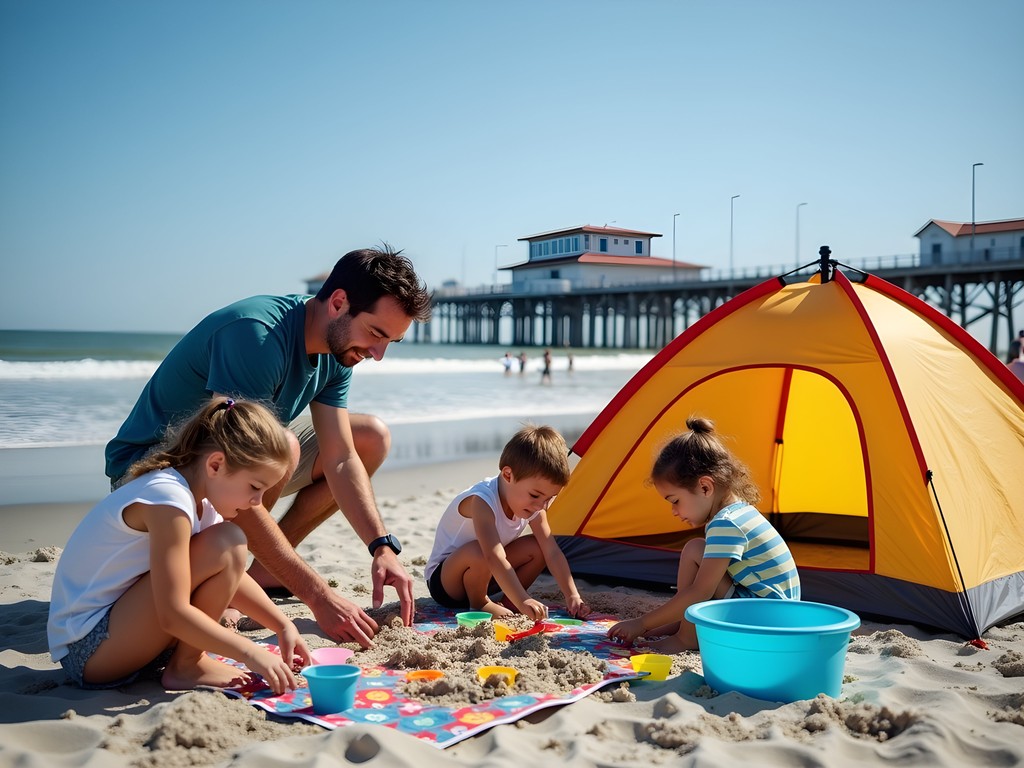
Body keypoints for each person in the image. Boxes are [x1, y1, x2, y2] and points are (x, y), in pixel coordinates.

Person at [104, 246, 432, 647]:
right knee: (282, 447)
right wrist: (318, 595)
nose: (378, 354)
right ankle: (225, 573)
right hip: (150, 473)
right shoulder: (256, 334)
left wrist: (382, 548)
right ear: (339, 303)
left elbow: (342, 458)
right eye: (376, 333)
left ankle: (266, 571)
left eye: (391, 341)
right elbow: (235, 467)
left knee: (370, 439)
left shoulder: (337, 351)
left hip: (219, 472)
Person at [49, 398, 312, 693]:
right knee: (229, 540)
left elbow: (233, 576)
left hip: (122, 637)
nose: (256, 503)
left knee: (230, 545)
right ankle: (187, 665)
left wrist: (283, 625)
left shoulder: (203, 503)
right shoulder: (167, 499)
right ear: (215, 464)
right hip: (90, 650)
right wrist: (250, 652)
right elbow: (171, 613)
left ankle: (187, 662)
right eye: (254, 487)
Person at [607, 416, 800, 653]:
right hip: (776, 617)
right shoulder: (740, 513)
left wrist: (641, 623)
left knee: (698, 569)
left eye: (675, 501)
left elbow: (701, 592)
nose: (674, 512)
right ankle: (681, 625)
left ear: (705, 487)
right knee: (695, 548)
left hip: (766, 626)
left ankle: (686, 638)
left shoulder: (726, 524)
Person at [425, 425, 591, 621]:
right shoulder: (482, 501)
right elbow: (494, 556)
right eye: (535, 495)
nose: (541, 506)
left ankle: (509, 601)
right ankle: (480, 602)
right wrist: (524, 599)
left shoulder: (534, 507)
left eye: (549, 498)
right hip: (447, 582)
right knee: (480, 550)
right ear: (508, 475)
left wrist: (572, 595)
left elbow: (552, 552)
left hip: (488, 576)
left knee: (538, 547)